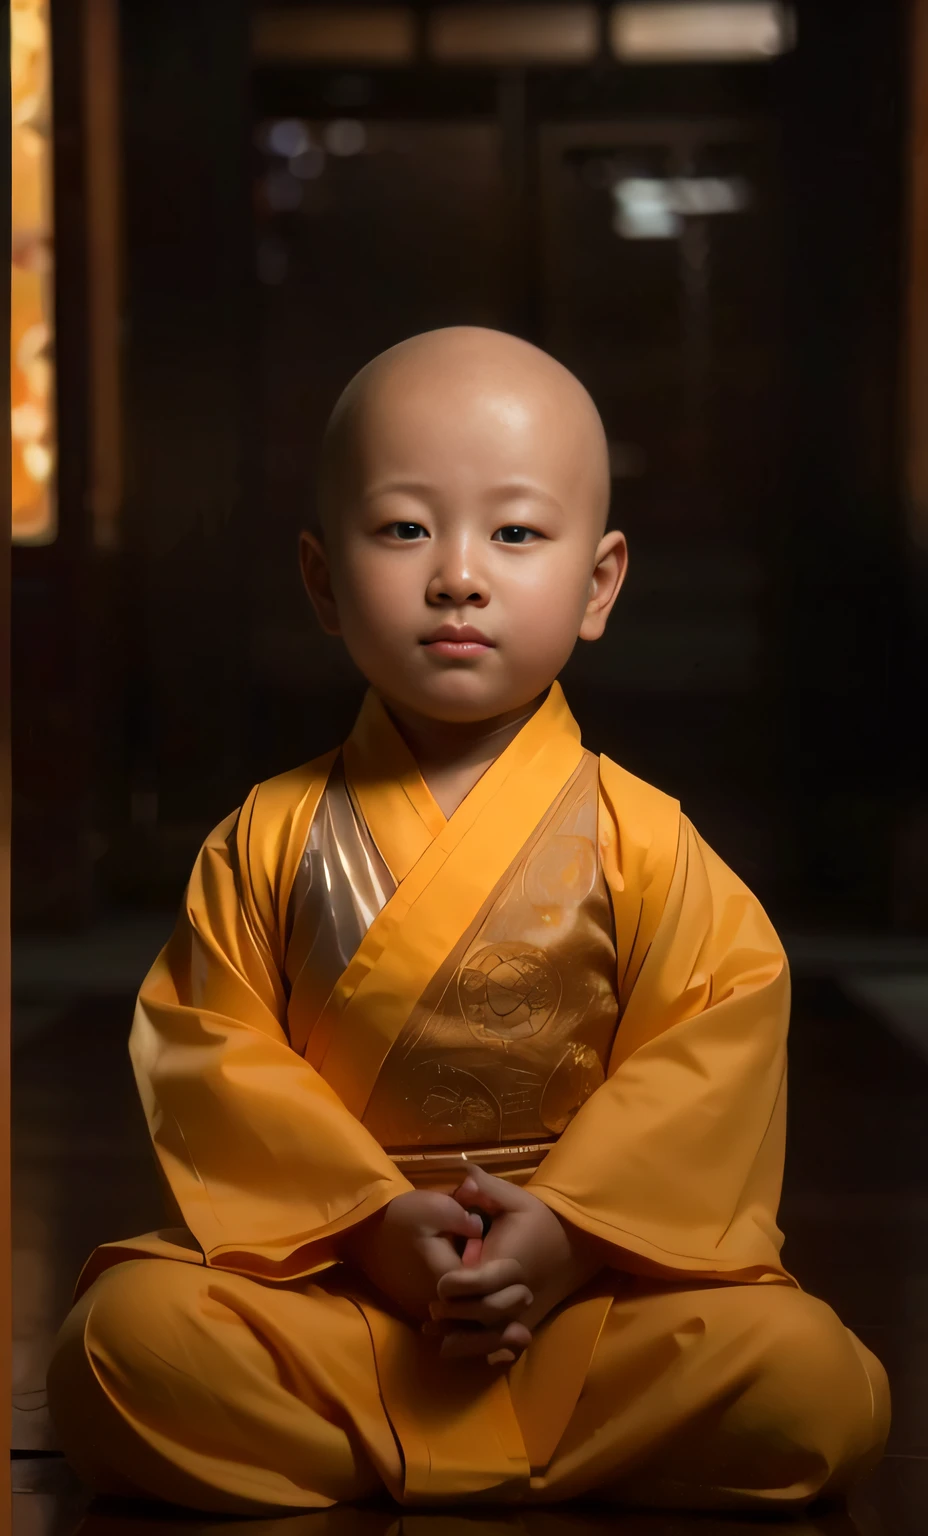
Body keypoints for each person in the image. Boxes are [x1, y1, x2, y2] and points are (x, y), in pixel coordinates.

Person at [47, 327, 889, 1517]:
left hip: (579, 1302)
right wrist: (376, 1226)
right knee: (118, 1347)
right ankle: (539, 1460)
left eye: (513, 532)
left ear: (598, 584)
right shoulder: (265, 838)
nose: (457, 574)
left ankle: (382, 1456)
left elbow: (712, 1052)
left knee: (812, 1384)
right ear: (321, 581)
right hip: (346, 1290)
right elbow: (206, 1051)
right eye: (402, 529)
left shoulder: (643, 839)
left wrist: (562, 1236)